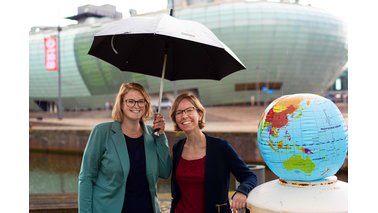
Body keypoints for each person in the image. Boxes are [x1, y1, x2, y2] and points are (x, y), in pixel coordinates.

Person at [78, 82, 172, 213]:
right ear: (121, 104)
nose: (136, 105)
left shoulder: (153, 135)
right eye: (130, 101)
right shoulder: (102, 132)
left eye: (141, 101)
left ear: (146, 105)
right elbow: (86, 178)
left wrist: (161, 136)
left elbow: (165, 171)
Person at [170, 92, 257, 213]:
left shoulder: (221, 148)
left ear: (199, 114)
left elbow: (249, 176)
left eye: (189, 110)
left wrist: (242, 191)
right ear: (175, 118)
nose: (184, 116)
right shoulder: (177, 148)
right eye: (179, 112)